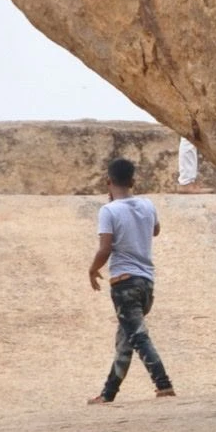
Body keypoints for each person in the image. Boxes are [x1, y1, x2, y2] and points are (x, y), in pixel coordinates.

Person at [86, 157, 175, 404]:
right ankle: (108, 394)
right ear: (133, 181)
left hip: (124, 283)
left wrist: (92, 270)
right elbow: (155, 230)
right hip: (146, 283)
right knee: (125, 340)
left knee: (138, 337)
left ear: (108, 182)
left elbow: (105, 248)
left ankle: (164, 384)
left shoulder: (109, 211)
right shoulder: (147, 205)